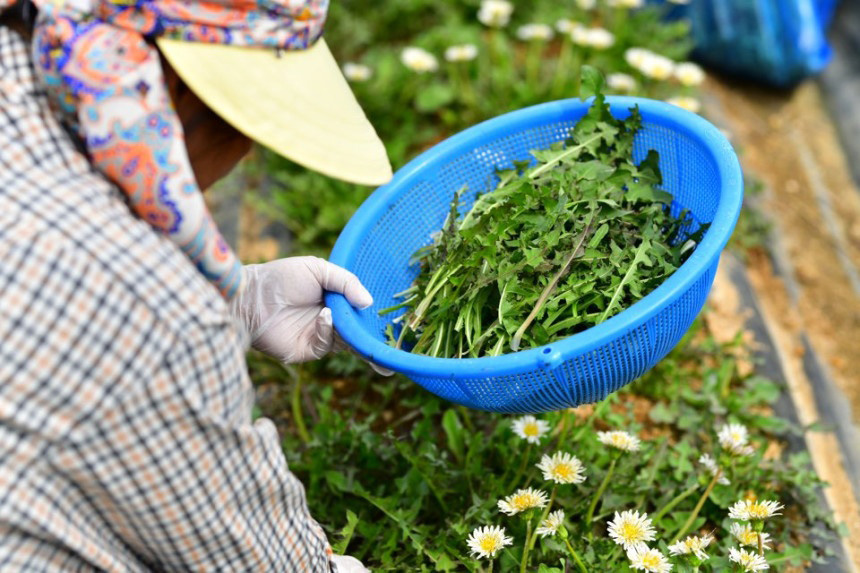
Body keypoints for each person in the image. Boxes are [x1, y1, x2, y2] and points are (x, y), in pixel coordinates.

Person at [0, 0, 391, 570]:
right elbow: (258, 557)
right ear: (180, 95)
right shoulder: (153, 313)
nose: (246, 151)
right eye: (248, 127)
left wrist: (242, 300)